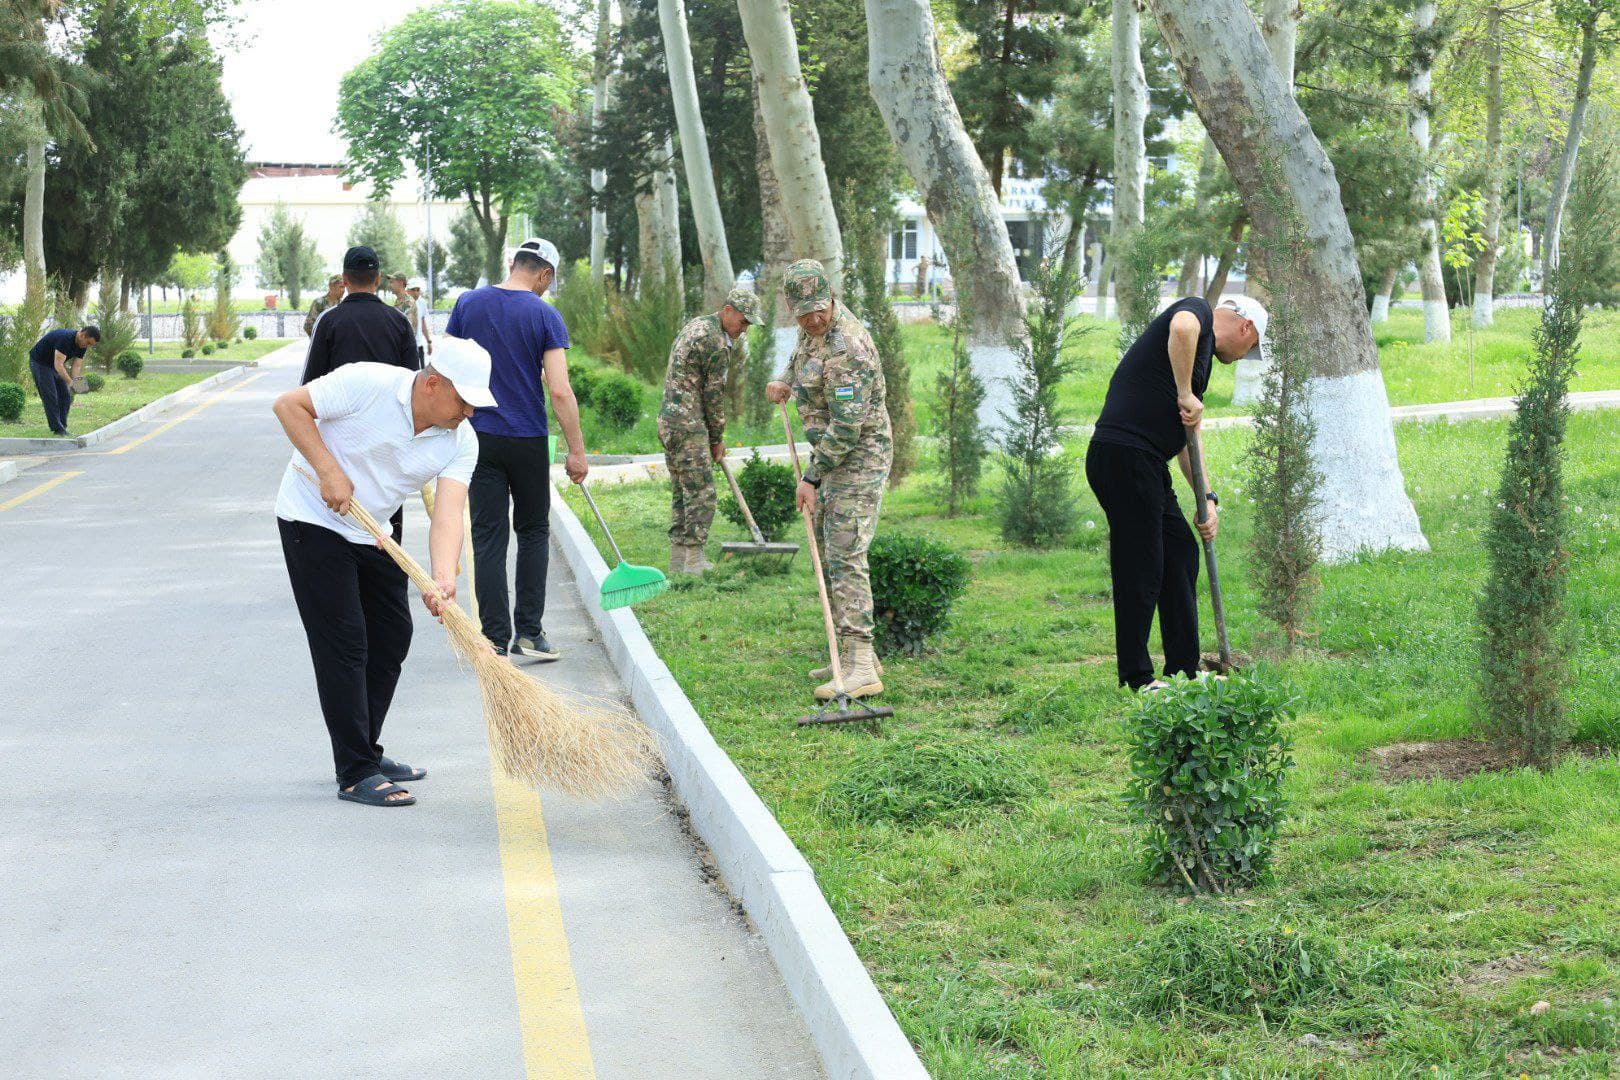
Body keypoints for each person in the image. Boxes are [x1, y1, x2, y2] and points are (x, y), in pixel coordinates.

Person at [271, 336, 496, 807]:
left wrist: (442, 577)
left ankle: (366, 752)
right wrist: (329, 469)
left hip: (374, 530)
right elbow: (288, 405)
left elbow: (449, 514)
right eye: (466, 401)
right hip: (311, 519)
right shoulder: (365, 382)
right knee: (346, 643)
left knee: (392, 635)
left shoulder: (460, 440)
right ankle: (354, 772)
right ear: (433, 384)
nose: (471, 412)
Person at [1084, 294, 1267, 692]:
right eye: (1250, 351)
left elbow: (1188, 438)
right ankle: (1137, 677)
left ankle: (1183, 671)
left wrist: (1208, 499)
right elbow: (1180, 327)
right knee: (1142, 564)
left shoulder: (1198, 359)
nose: (1240, 359)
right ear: (1245, 327)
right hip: (1123, 456)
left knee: (1180, 551)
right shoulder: (1196, 313)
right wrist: (1184, 392)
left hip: (1146, 463)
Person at [446, 237, 589, 661]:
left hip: (478, 437)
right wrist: (576, 451)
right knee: (532, 531)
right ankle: (529, 633)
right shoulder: (545, 315)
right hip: (527, 438)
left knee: (488, 536)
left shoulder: (468, 304)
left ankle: (492, 641)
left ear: (514, 263)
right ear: (544, 273)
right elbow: (560, 391)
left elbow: (446, 369)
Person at [764, 260, 891, 701]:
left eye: (819, 310)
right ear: (791, 308)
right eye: (803, 314)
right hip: (832, 457)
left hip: (858, 457)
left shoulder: (848, 347)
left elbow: (846, 428)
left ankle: (860, 665)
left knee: (844, 551)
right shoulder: (812, 331)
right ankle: (853, 654)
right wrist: (783, 381)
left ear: (830, 296)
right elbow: (801, 358)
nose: (813, 320)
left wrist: (810, 478)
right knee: (829, 545)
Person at [302, 246, 422, 543]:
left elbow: (308, 386)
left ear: (344, 279)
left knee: (339, 523)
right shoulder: (399, 322)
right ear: (378, 278)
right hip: (388, 442)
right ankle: (387, 579)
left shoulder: (328, 321)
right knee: (386, 531)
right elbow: (414, 388)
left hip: (339, 444)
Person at [660, 287, 761, 573]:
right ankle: (694, 561)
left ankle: (677, 560)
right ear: (728, 310)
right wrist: (717, 438)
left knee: (682, 490)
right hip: (689, 425)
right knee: (702, 493)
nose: (744, 329)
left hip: (668, 420)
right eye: (743, 321)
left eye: (749, 324)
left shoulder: (697, 325)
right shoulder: (716, 342)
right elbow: (713, 395)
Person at [28, 324, 99, 437]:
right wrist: (70, 382)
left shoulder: (82, 346)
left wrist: (78, 383)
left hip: (53, 365)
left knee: (65, 395)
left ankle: (62, 426)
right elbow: (59, 365)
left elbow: (76, 366)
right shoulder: (65, 338)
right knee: (51, 396)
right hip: (40, 363)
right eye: (89, 343)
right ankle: (58, 429)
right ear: (82, 335)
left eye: (91, 344)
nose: (88, 346)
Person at [409, 277, 433, 367]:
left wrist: (429, 342)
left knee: (420, 374)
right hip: (406, 346)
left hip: (418, 345)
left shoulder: (422, 303)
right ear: (407, 290)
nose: (415, 292)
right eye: (413, 290)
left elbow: (423, 324)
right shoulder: (402, 303)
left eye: (417, 290)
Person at [387, 271, 418, 341]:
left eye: (392, 282)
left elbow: (408, 329)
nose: (389, 285)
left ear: (401, 283)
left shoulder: (408, 302)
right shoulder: (399, 301)